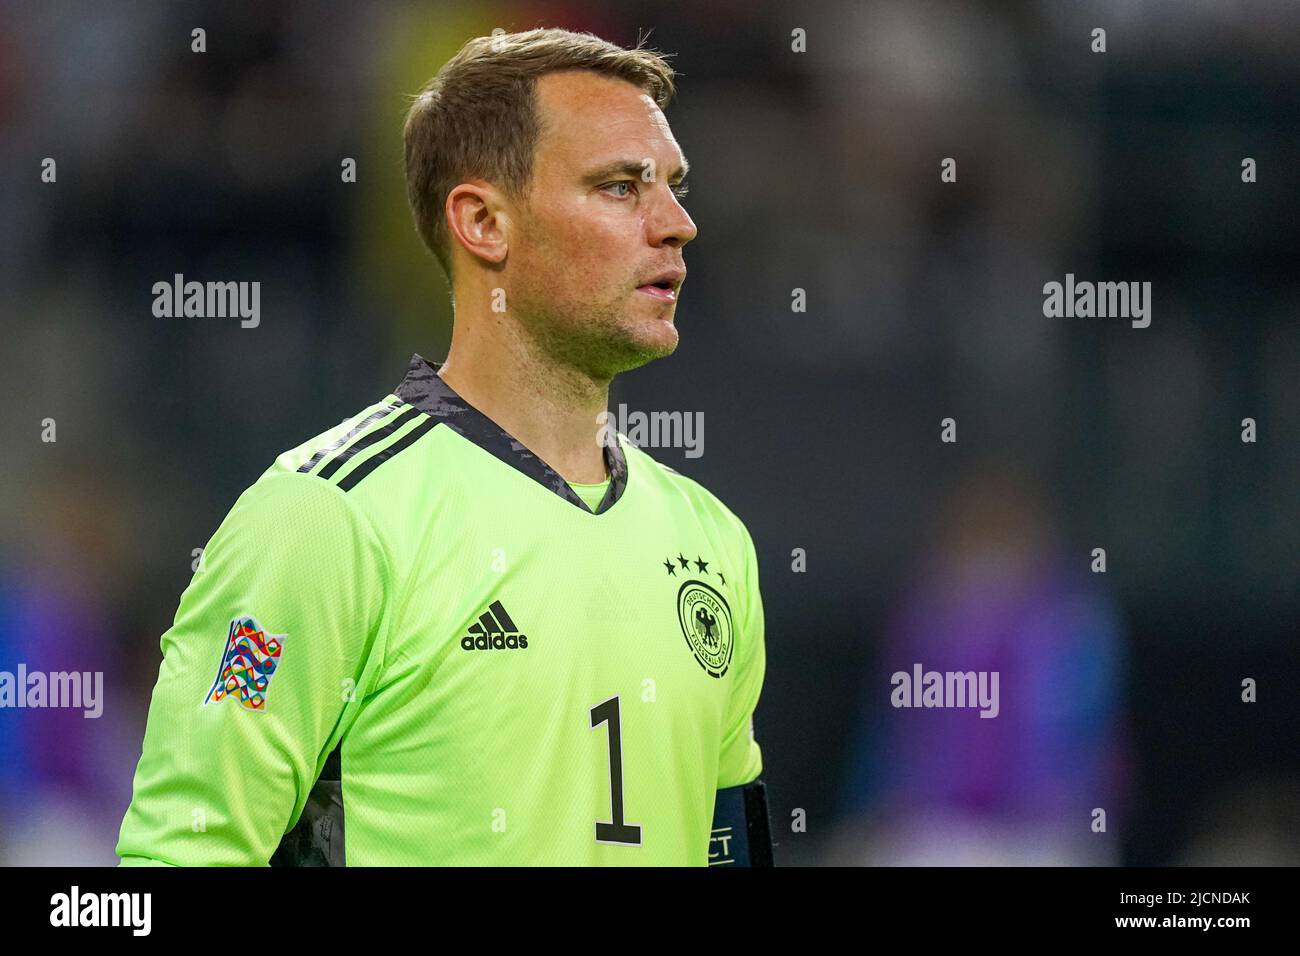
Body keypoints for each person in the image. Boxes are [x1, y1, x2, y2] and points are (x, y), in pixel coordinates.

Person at [116, 27, 770, 866]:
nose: (676, 225)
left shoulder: (712, 542)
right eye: (618, 187)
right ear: (483, 222)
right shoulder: (324, 521)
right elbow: (180, 858)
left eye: (674, 188)